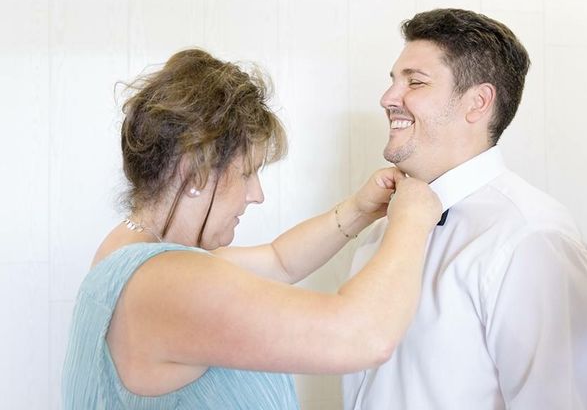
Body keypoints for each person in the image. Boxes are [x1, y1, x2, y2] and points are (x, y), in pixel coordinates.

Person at [61, 48, 443, 409]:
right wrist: (412, 220)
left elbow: (280, 261)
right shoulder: (166, 283)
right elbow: (362, 336)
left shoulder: (127, 252)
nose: (255, 194)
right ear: (194, 171)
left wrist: (359, 210)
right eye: (246, 174)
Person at [343, 9, 587, 409]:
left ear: (478, 102)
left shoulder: (534, 239)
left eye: (414, 82)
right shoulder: (381, 229)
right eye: (393, 81)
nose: (388, 99)